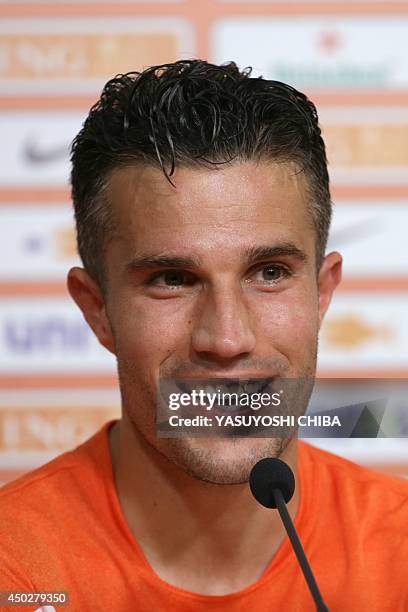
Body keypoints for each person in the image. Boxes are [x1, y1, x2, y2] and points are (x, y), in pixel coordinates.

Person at [0, 59, 407, 612]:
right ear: (97, 310)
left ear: (321, 293)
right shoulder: (15, 569)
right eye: (173, 279)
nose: (226, 338)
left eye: (269, 273)